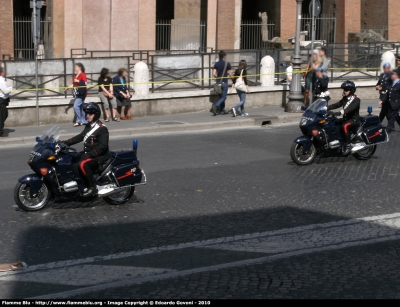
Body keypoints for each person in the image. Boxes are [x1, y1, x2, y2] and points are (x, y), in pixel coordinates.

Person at [61, 103, 110, 197]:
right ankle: (80, 185)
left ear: (95, 115)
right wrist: (65, 142)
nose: (87, 116)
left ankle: (92, 188)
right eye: (87, 113)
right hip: (90, 154)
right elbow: (80, 137)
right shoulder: (89, 126)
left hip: (99, 157)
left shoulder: (102, 128)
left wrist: (89, 155)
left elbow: (102, 146)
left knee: (83, 164)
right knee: (72, 159)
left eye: (90, 114)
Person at [328, 81, 360, 153]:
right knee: (333, 123)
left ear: (351, 90)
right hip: (346, 118)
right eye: (344, 90)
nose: (344, 92)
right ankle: (338, 142)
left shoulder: (356, 100)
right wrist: (326, 107)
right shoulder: (345, 98)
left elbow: (349, 109)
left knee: (345, 126)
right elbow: (337, 104)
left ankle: (348, 145)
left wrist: (339, 112)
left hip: (354, 120)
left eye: (346, 90)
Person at [212, 51, 233, 115]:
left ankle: (222, 110)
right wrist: (233, 80)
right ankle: (215, 106)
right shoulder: (227, 63)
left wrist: (218, 77)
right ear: (224, 56)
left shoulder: (216, 63)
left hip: (218, 82)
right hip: (224, 82)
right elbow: (230, 74)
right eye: (225, 55)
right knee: (224, 97)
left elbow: (214, 74)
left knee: (221, 96)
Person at [386, 69, 400, 134]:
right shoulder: (392, 82)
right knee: (395, 116)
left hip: (396, 103)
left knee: (392, 116)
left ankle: (387, 129)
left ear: (396, 75)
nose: (391, 75)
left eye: (393, 74)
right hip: (390, 103)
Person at [0, 67, 12, 138]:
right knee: (2, 116)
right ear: (2, 72)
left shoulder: (2, 80)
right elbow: (6, 91)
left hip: (2, 100)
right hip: (1, 100)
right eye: (4, 71)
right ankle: (1, 132)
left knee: (4, 115)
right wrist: (10, 88)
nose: (5, 72)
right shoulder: (1, 81)